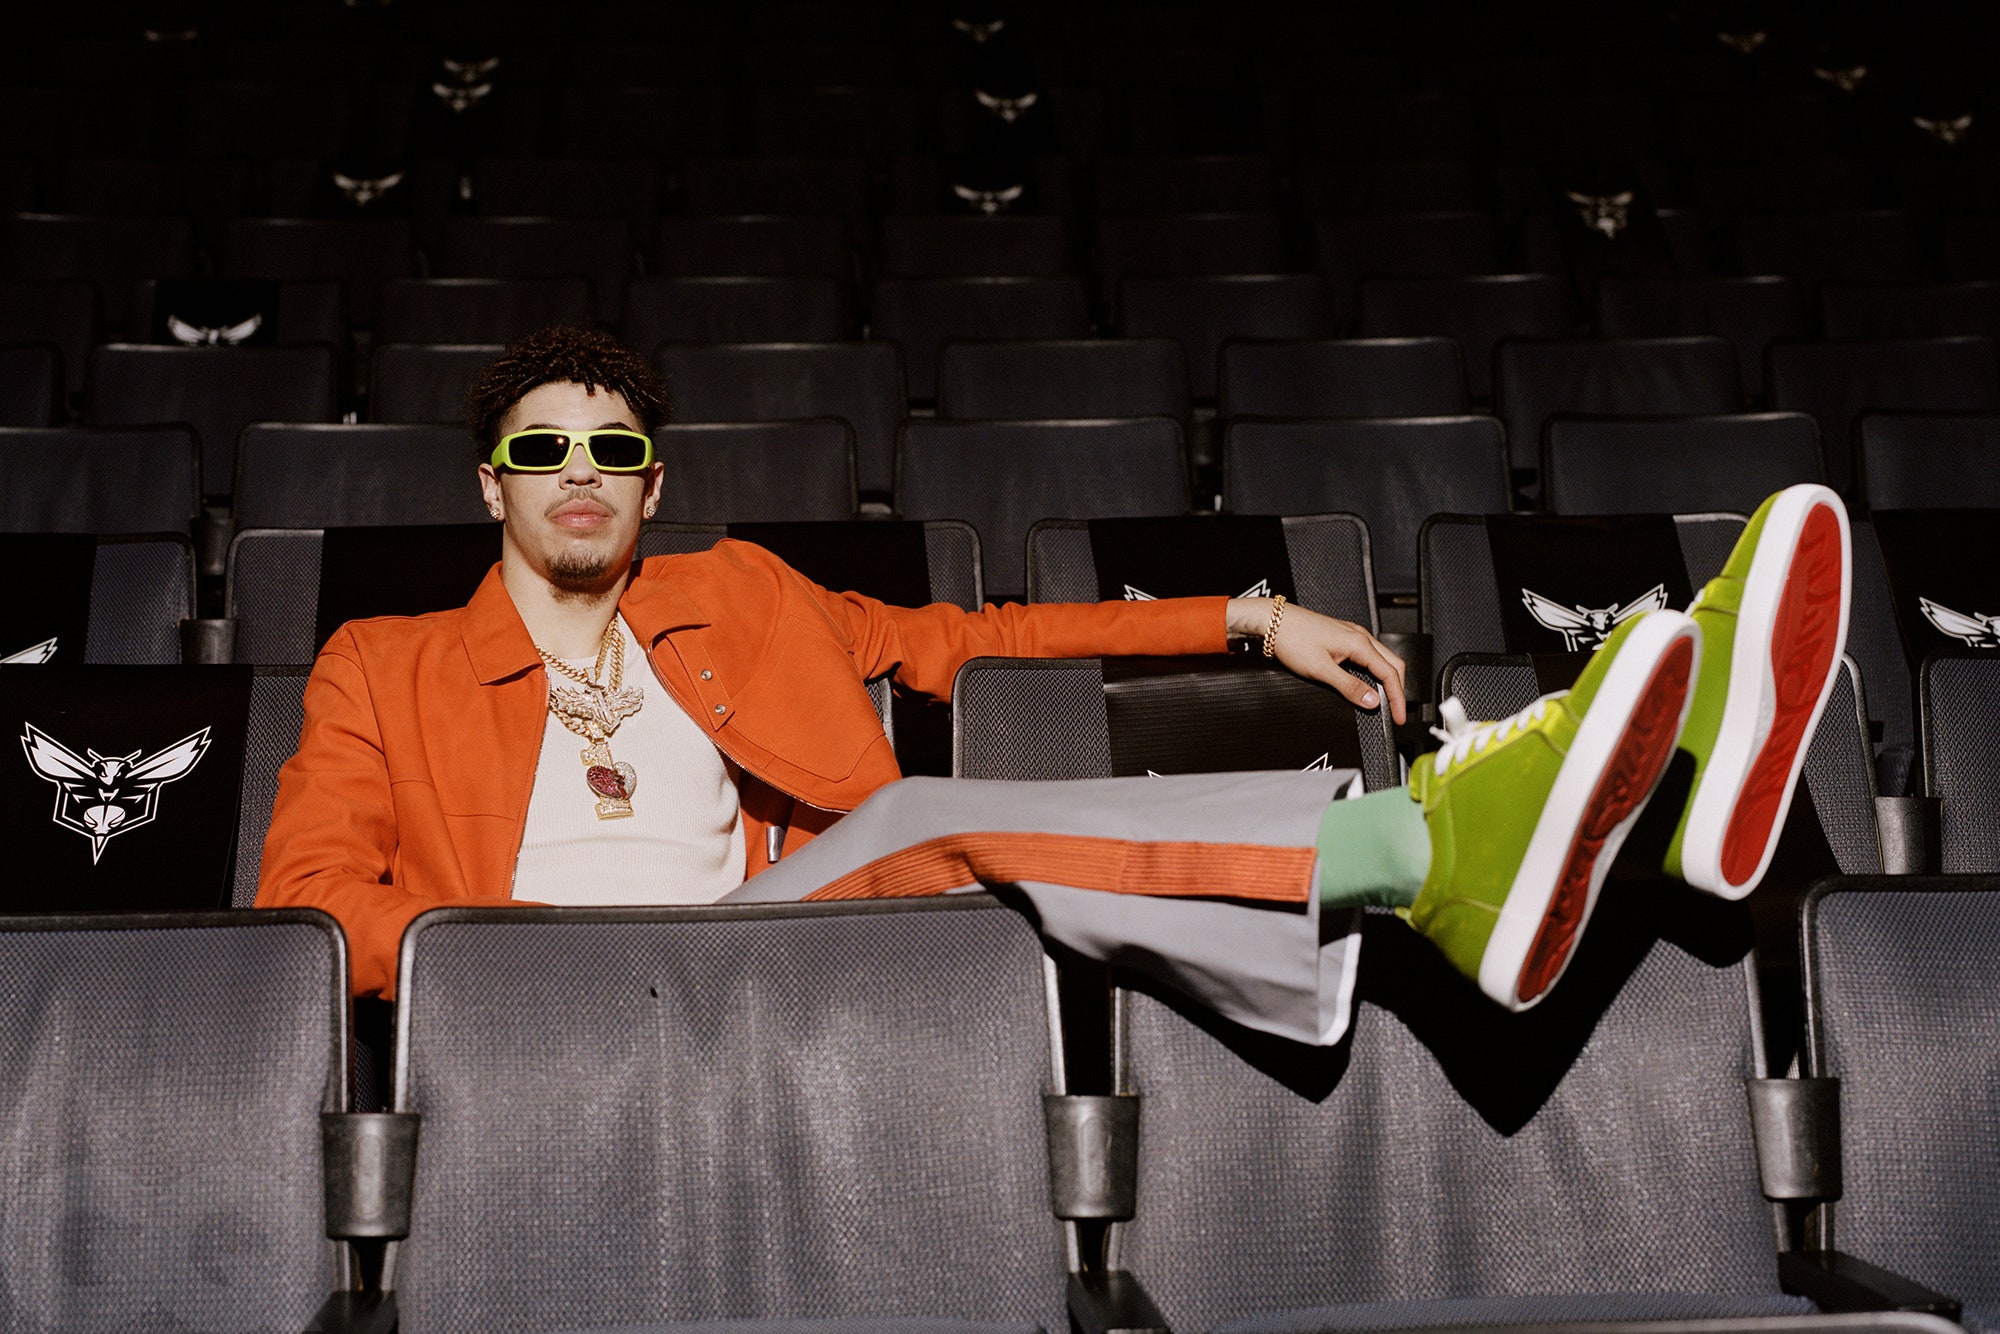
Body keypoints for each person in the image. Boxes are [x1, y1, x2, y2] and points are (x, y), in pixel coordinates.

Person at [257, 327, 1853, 1043]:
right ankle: (1463, 836)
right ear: (492, 483)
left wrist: (1249, 617)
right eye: (541, 447)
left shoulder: (737, 594)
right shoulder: (381, 663)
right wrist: (515, 943)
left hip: (764, 948)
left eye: (613, 447)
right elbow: (309, 902)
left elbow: (981, 639)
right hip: (516, 1000)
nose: (579, 469)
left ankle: (1628, 794)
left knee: (920, 822)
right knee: (926, 818)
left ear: (653, 484)